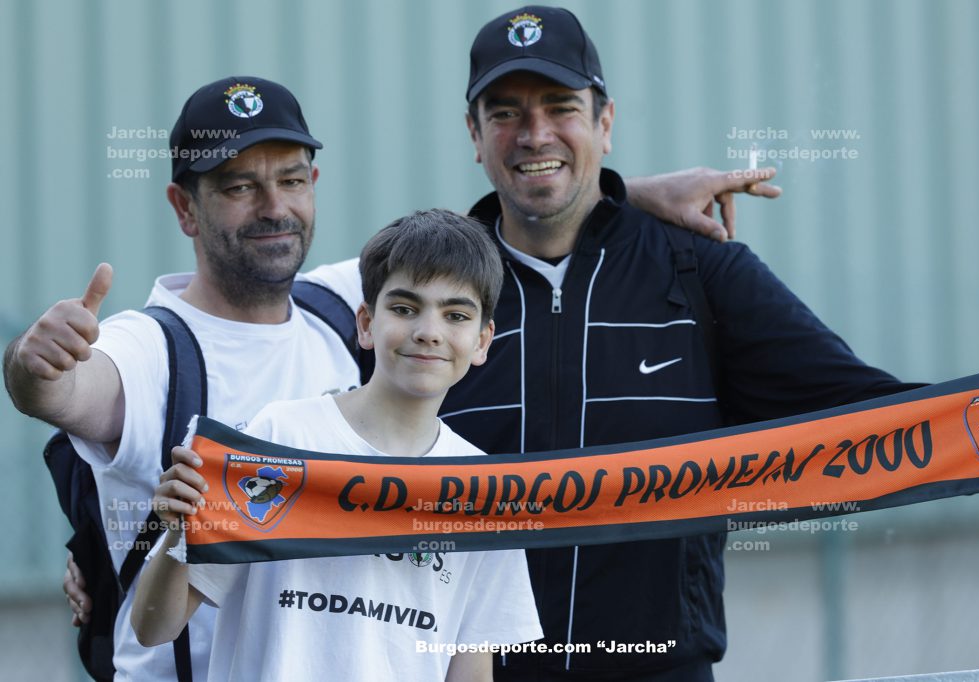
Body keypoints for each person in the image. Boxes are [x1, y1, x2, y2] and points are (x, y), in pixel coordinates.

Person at [2, 72, 779, 680]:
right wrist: (35, 369)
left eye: (291, 179)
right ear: (184, 207)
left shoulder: (335, 308)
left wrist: (625, 194)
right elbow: (65, 393)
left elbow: (462, 248)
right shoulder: (152, 350)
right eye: (239, 187)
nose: (272, 207)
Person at [437, 6, 920, 681]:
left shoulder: (700, 273)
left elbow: (876, 413)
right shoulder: (432, 293)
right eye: (506, 113)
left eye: (561, 107)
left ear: (606, 123)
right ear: (474, 133)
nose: (534, 133)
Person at [131, 208, 542, 682]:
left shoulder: (486, 491)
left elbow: (469, 670)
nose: (429, 331)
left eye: (455, 315)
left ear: (482, 340)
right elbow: (153, 628)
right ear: (366, 323)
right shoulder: (278, 438)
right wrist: (179, 533)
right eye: (404, 309)